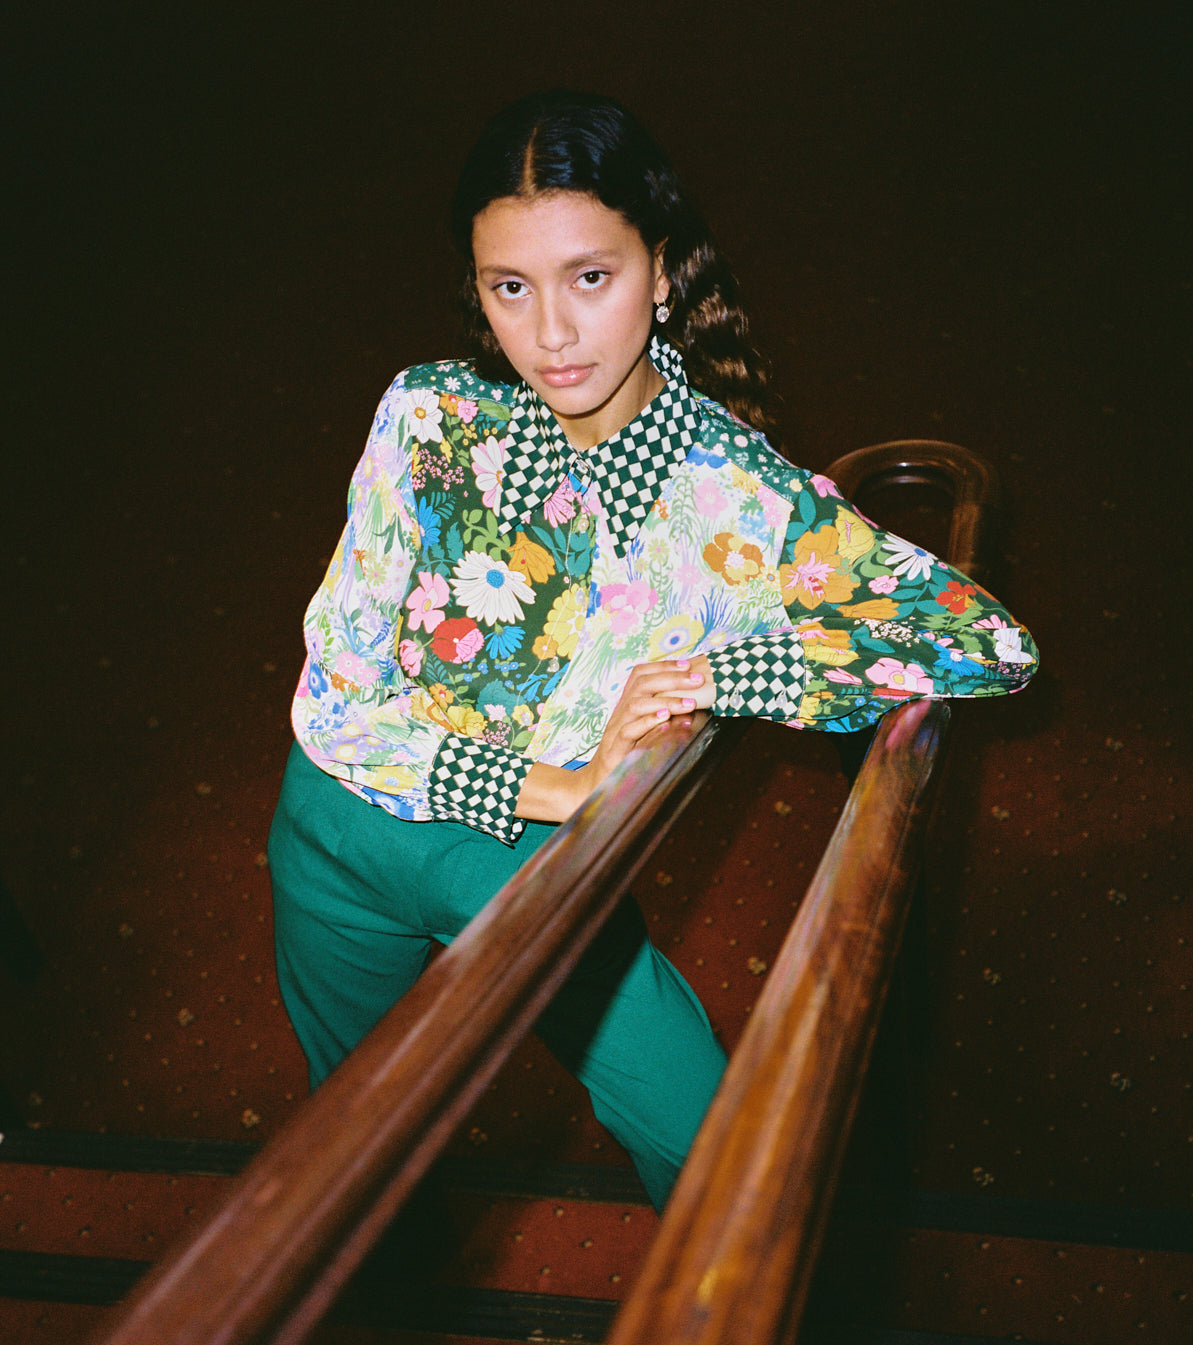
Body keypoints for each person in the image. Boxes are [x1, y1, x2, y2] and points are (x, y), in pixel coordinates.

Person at [268, 90, 1038, 1211]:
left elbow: (985, 638)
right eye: (510, 288)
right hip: (340, 828)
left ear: (663, 271)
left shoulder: (739, 498)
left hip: (530, 865)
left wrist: (732, 674)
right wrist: (566, 785)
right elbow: (335, 707)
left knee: (707, 1146)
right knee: (350, 1148)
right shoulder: (431, 416)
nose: (551, 333)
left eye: (591, 276)